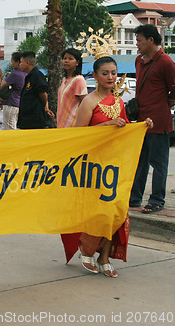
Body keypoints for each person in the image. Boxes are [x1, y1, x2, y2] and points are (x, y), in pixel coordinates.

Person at [61, 55, 153, 278]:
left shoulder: (119, 101)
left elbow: (122, 130)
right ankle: (87, 248)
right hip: (95, 168)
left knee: (116, 210)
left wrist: (141, 126)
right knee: (99, 210)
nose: (110, 77)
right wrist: (108, 125)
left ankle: (104, 256)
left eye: (113, 73)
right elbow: (80, 137)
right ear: (95, 76)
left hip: (115, 165)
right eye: (105, 73)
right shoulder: (89, 102)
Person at [129, 24, 175, 214]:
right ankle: (134, 198)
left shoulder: (165, 62)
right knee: (140, 161)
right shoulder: (139, 60)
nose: (137, 43)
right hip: (141, 122)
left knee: (159, 163)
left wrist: (165, 105)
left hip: (159, 121)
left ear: (151, 40)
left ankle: (156, 200)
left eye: (139, 40)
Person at [18, 51, 55, 129]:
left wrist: (45, 107)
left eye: (21, 62)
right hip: (26, 118)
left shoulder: (37, 76)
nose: (20, 64)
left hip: (35, 119)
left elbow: (43, 93)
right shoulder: (29, 77)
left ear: (27, 63)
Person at [57, 48, 87, 128]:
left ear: (77, 62)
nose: (66, 61)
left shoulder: (79, 80)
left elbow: (85, 104)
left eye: (70, 59)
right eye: (64, 58)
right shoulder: (64, 79)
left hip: (73, 124)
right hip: (61, 123)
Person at [0, 52, 26, 130]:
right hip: (18, 103)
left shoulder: (15, 74)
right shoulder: (25, 74)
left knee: (9, 127)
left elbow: (1, 85)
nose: (12, 64)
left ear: (18, 62)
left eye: (12, 62)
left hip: (11, 103)